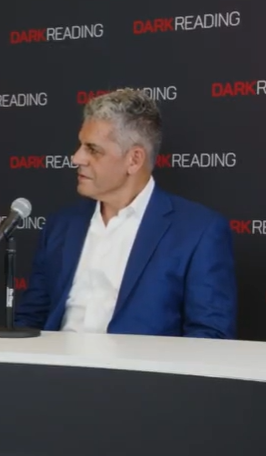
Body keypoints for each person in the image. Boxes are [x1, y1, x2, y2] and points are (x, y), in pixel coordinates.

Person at [16, 88, 237, 339]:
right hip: (53, 374)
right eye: (80, 145)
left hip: (141, 377)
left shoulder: (198, 232)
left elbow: (210, 338)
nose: (76, 157)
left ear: (134, 160)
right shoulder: (60, 226)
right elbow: (30, 320)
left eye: (93, 149)